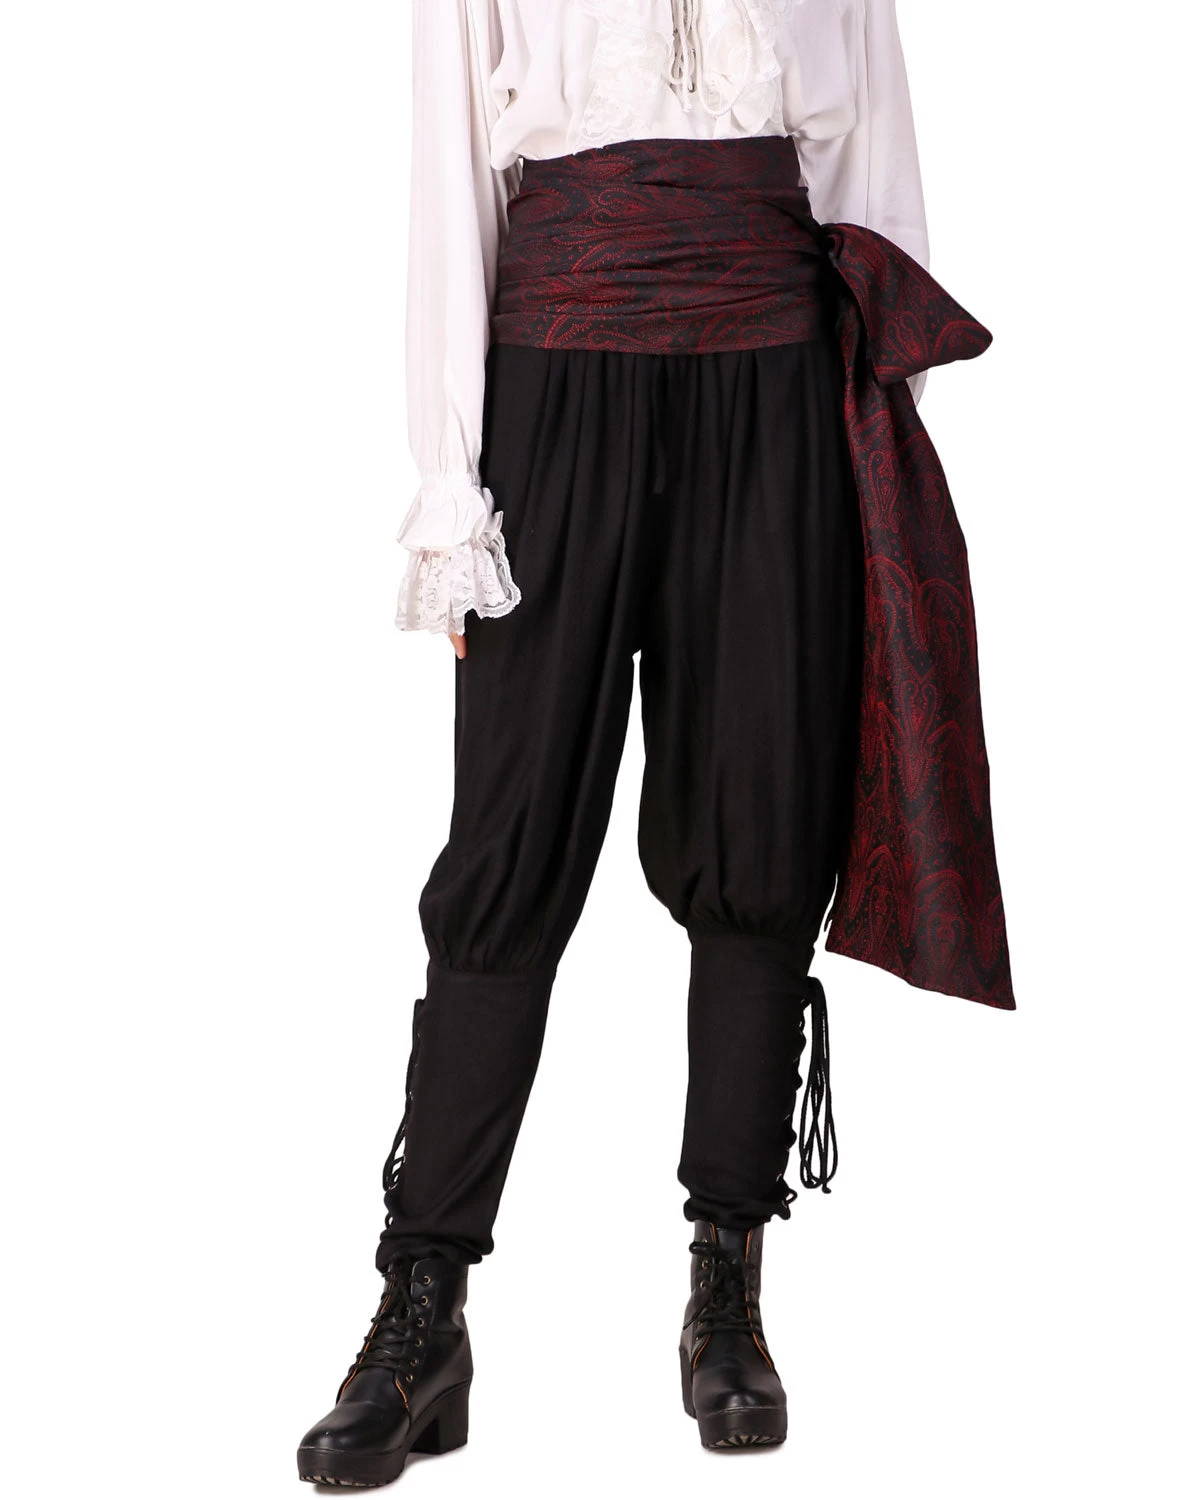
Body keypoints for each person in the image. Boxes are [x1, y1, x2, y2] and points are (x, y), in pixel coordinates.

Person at [297, 0, 1014, 1486]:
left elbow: (869, 158)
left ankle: (728, 1278)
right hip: (557, 379)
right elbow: (453, 170)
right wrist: (451, 486)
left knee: (762, 821)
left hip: (775, 383)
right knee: (509, 845)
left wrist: (874, 431)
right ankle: (424, 1303)